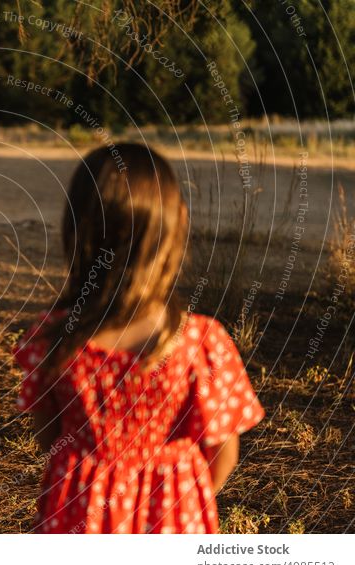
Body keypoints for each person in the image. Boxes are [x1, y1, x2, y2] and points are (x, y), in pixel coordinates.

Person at [13, 143, 265, 533]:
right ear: (178, 225)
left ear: (75, 229)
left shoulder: (51, 339)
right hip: (174, 516)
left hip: (79, 515)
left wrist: (97, 473)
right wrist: (177, 496)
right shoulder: (201, 342)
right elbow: (222, 454)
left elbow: (51, 439)